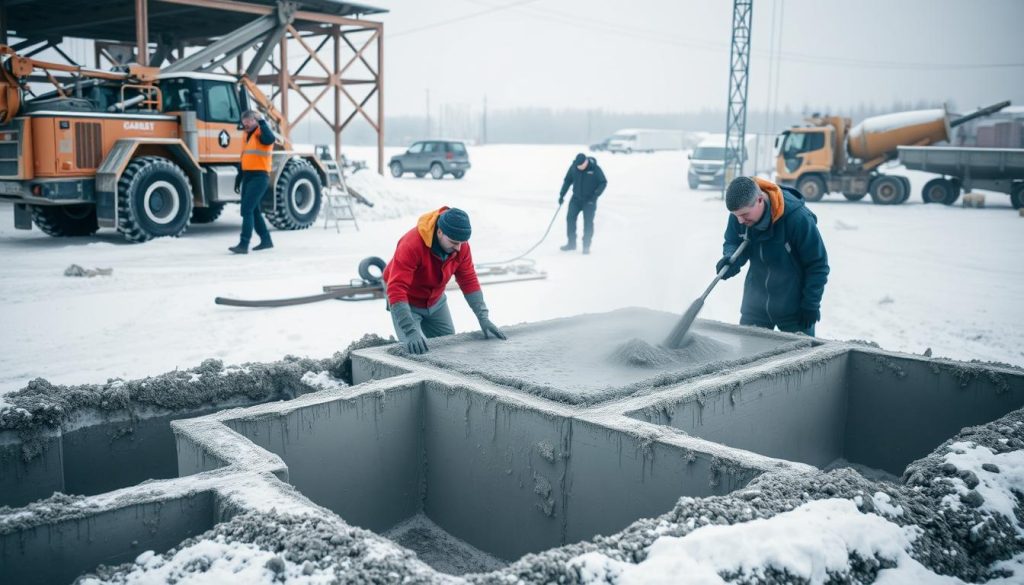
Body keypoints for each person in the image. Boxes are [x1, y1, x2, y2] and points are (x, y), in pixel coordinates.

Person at [382, 207, 506, 354]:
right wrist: (409, 331)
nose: (459, 248)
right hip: (406, 300)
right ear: (440, 232)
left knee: (449, 347)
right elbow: (396, 288)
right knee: (417, 351)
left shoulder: (460, 245)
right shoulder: (411, 244)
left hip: (435, 300)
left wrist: (483, 317)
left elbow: (468, 279)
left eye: (461, 243)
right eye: (454, 242)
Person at [718, 176, 829, 336]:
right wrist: (731, 259)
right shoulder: (740, 215)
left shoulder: (797, 219)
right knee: (747, 356)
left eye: (744, 214)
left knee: (800, 358)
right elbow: (733, 241)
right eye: (736, 216)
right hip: (755, 306)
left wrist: (810, 304)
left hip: (795, 308)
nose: (740, 221)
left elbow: (818, 265)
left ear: (760, 200)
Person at [229, 110, 275, 254]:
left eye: (249, 121)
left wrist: (262, 121)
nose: (246, 124)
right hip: (248, 176)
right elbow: (245, 157)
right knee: (254, 211)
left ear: (255, 120)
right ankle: (266, 240)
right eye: (244, 121)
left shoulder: (261, 132)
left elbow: (270, 139)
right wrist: (239, 176)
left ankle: (244, 244)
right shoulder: (246, 135)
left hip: (260, 176)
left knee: (246, 210)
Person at [558, 152, 607, 254]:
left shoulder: (595, 169)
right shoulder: (574, 167)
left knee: (588, 223)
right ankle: (571, 244)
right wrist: (562, 195)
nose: (580, 167)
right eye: (578, 165)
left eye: (581, 165)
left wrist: (596, 195)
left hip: (589, 201)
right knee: (570, 219)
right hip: (576, 199)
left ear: (586, 161)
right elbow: (567, 180)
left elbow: (603, 182)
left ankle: (586, 246)